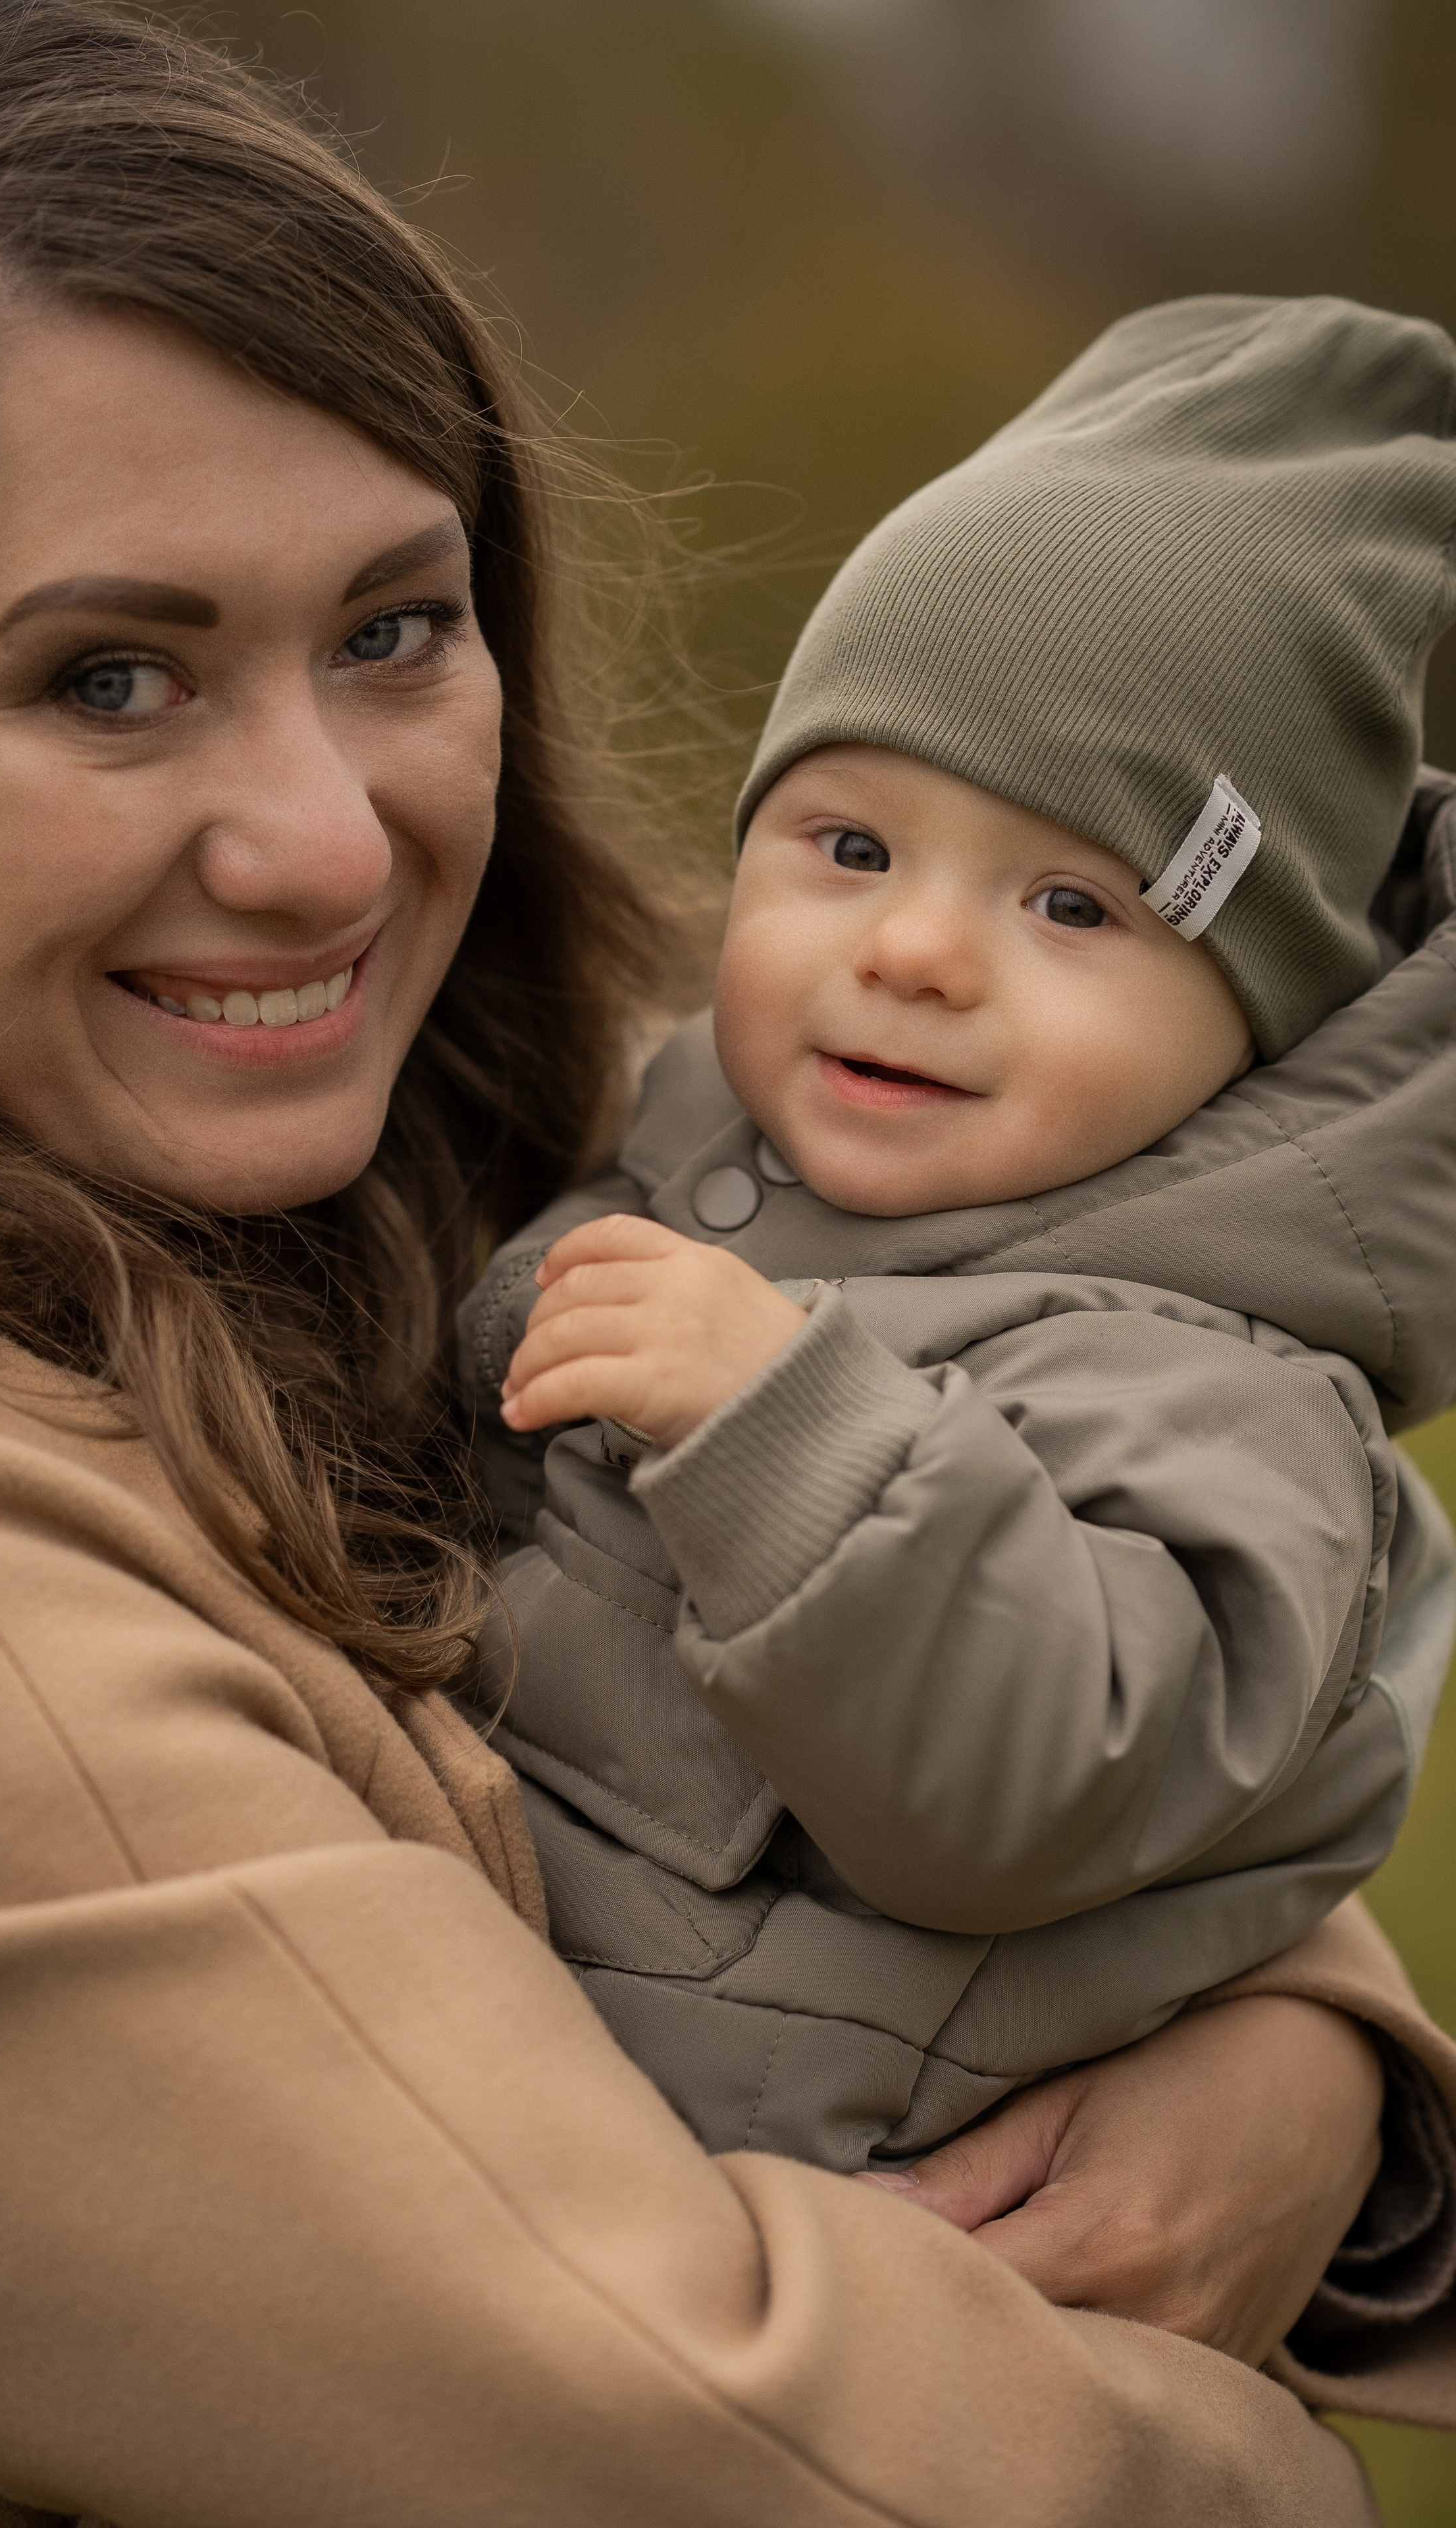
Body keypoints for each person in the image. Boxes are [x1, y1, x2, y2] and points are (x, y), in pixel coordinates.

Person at [0, 5, 1447, 2520]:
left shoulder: (552, 1173)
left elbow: (1090, 1704)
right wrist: (1254, 2446)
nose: (327, 845)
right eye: (110, 678)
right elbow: (693, 2448)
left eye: (389, 631)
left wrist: (1313, 2073)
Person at [472, 302, 1456, 2165]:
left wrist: (783, 1433)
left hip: (797, 2233)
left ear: (1263, 1013)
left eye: (1072, 905)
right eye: (850, 848)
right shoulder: (647, 1142)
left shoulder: (1228, 1395)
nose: (913, 951)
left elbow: (1040, 1773)